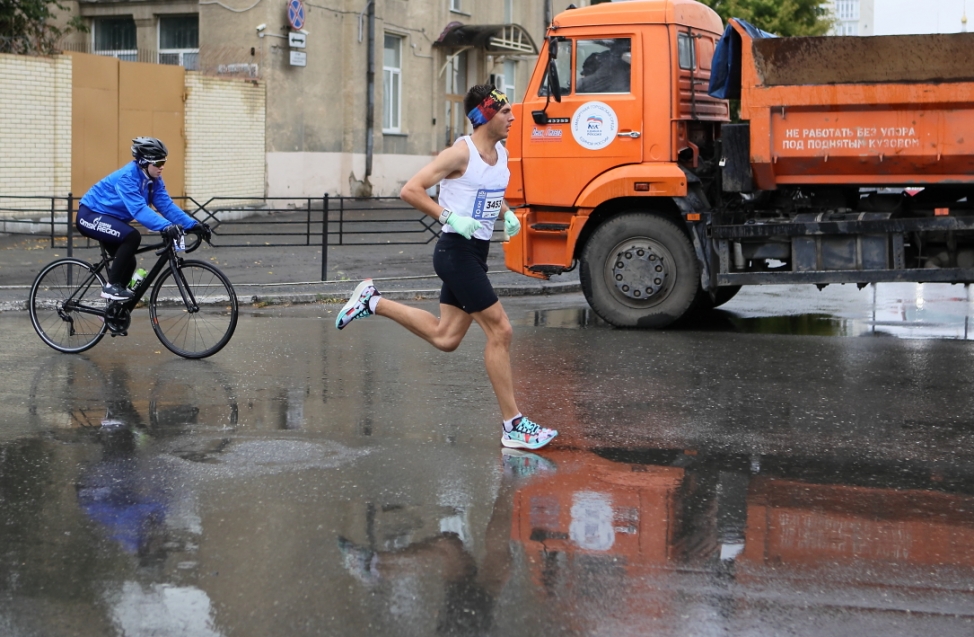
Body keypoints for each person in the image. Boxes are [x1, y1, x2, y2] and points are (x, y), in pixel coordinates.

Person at [334, 84, 557, 451]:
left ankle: (372, 301)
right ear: (484, 116)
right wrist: (450, 216)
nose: (513, 117)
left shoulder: (500, 154)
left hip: (476, 253)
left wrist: (507, 214)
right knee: (500, 331)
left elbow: (489, 192)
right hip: (456, 252)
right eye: (505, 112)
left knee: (446, 337)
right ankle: (513, 425)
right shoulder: (459, 154)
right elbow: (411, 189)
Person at [76, 137, 210, 301]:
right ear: (144, 163)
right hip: (90, 215)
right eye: (158, 163)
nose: (162, 167)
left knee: (129, 263)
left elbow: (166, 205)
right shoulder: (127, 177)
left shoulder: (153, 180)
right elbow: (139, 210)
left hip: (111, 219)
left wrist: (193, 225)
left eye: (164, 162)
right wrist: (166, 226)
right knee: (132, 236)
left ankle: (113, 311)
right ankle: (110, 288)